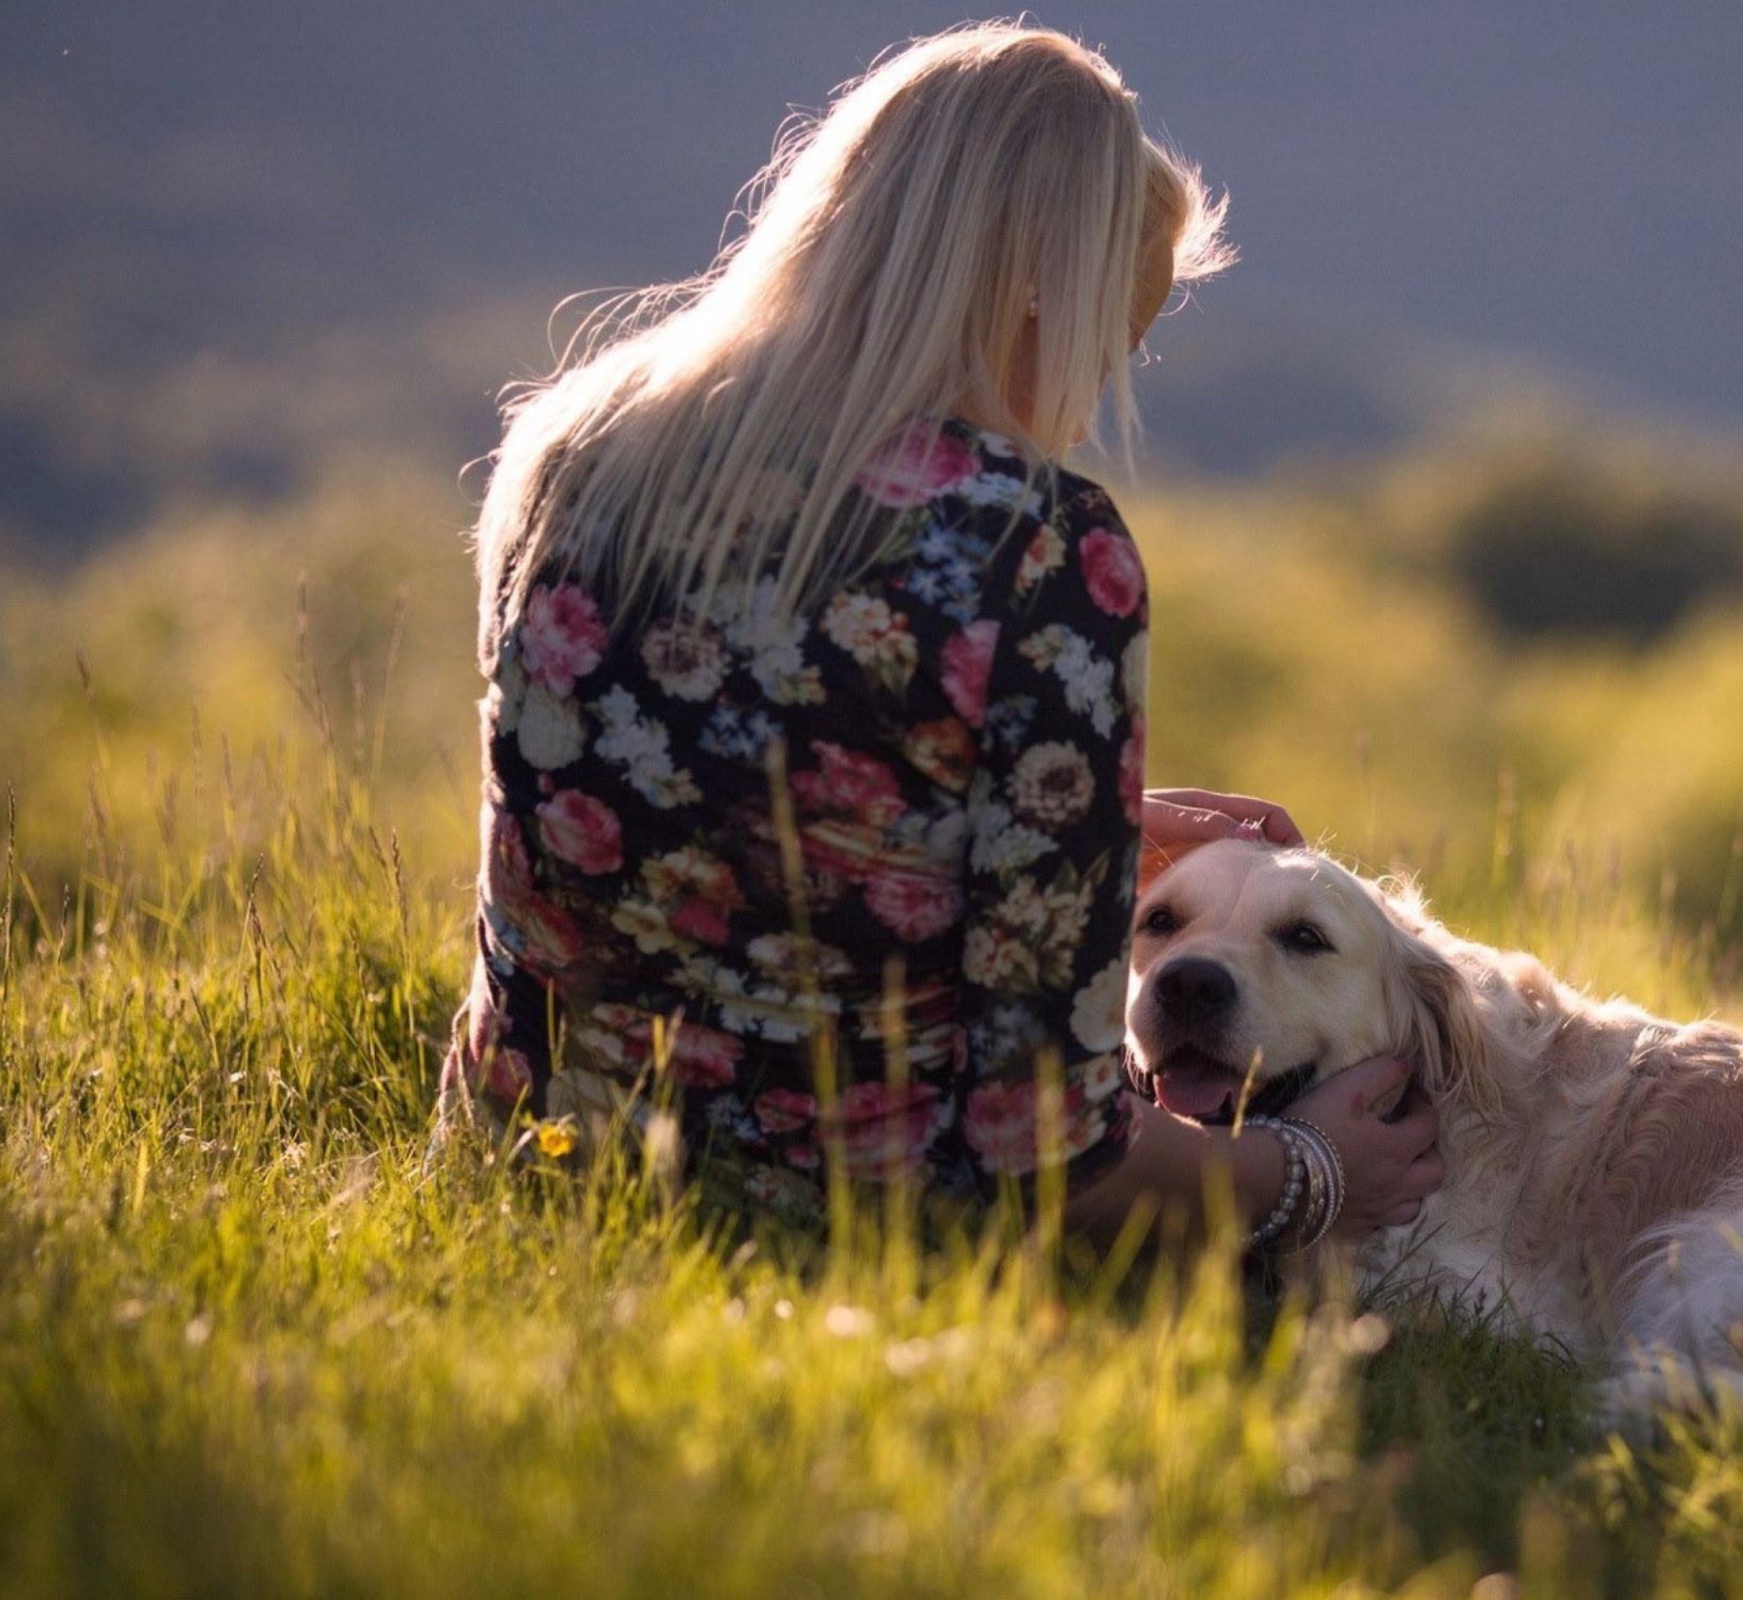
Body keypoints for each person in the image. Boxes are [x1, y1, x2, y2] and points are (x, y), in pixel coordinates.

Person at [440, 21, 1442, 1248]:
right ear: (1036, 289)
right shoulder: (1038, 544)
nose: (1075, 414)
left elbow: (662, 814)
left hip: (533, 1164)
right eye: (1104, 343)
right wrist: (1310, 1174)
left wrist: (1079, 842)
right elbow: (1051, 1153)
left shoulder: (574, 449)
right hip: (843, 1228)